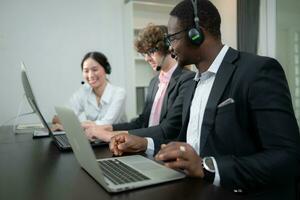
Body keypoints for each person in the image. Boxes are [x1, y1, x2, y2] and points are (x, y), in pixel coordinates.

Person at [109, 0, 300, 199]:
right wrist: (144, 143)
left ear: (196, 34)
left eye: (172, 38)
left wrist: (207, 168)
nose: (169, 46)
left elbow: (288, 157)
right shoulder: (191, 83)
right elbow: (185, 144)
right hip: (195, 190)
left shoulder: (257, 71)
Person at [82, 24, 195, 143]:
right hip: (144, 147)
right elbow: (142, 122)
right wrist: (109, 128)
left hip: (167, 152)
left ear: (168, 46)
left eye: (151, 52)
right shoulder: (154, 82)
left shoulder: (187, 80)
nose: (146, 58)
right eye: (144, 54)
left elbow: (168, 130)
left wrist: (110, 135)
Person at [52, 51, 126, 131]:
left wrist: (68, 126)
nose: (90, 75)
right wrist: (68, 122)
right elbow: (59, 117)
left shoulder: (119, 93)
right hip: (92, 139)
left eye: (95, 70)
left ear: (106, 69)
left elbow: (105, 125)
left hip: (115, 140)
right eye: (86, 71)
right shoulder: (84, 90)